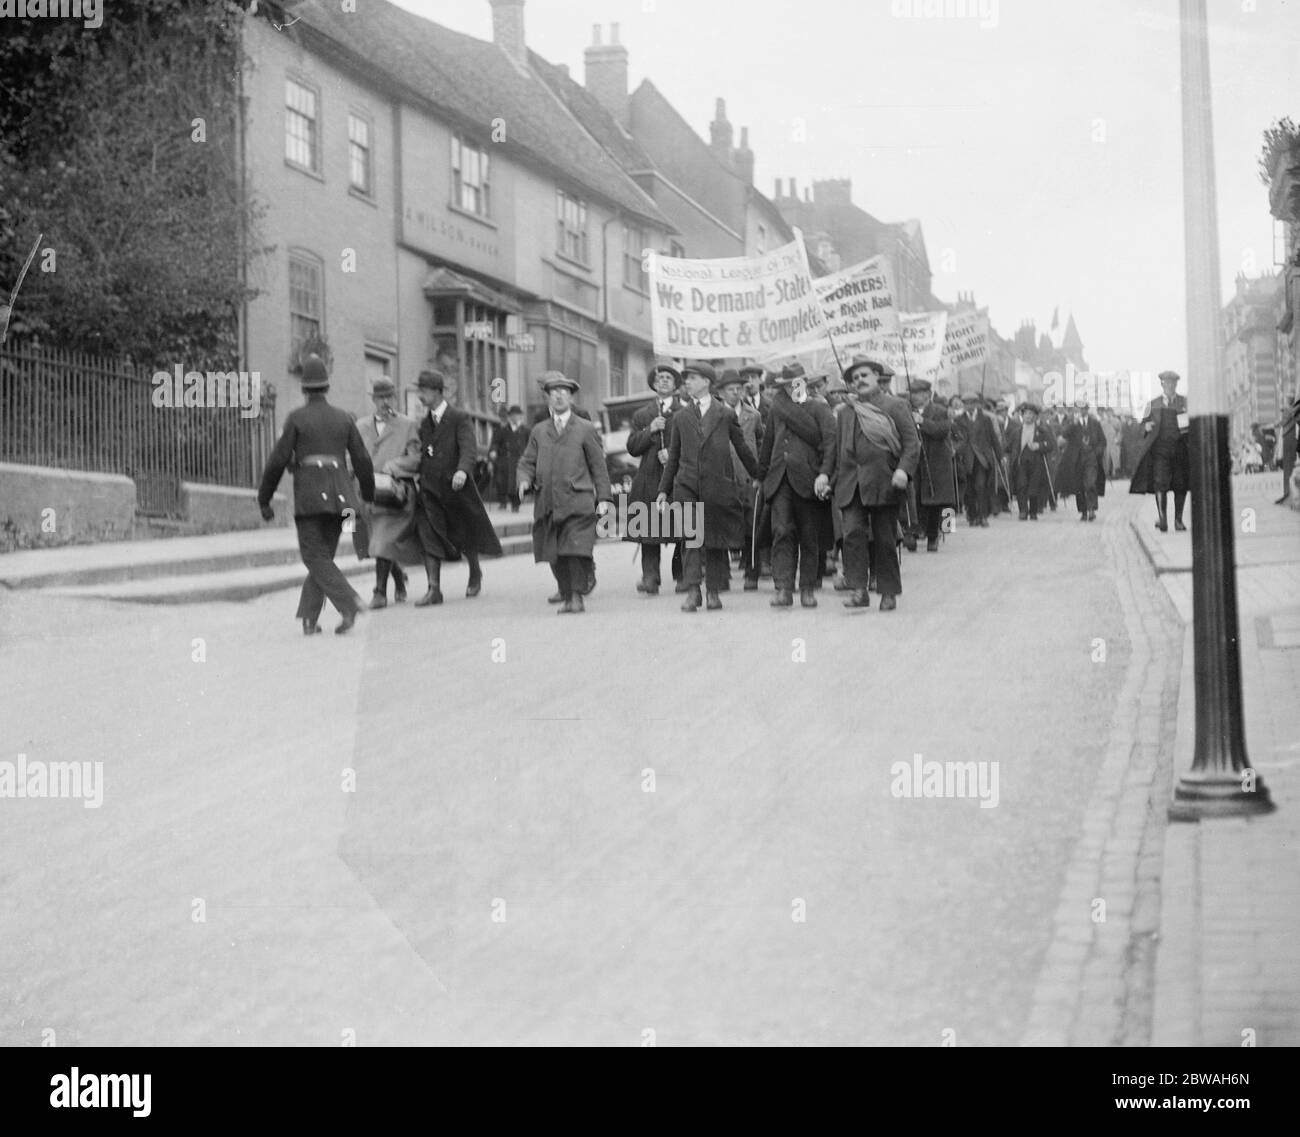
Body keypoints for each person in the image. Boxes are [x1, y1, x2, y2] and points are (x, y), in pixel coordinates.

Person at [257, 354, 374, 636]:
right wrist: (367, 496)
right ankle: (310, 619)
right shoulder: (344, 418)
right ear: (327, 386)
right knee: (322, 557)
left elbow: (276, 461)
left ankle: (349, 603)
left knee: (314, 557)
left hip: (310, 499)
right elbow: (362, 459)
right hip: (344, 502)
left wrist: (264, 499)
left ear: (303, 388)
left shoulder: (296, 418)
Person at [656, 362, 759, 612]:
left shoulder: (725, 414)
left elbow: (743, 447)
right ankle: (693, 592)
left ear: (706, 382)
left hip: (718, 487)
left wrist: (759, 474)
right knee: (691, 540)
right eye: (687, 378)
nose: (687, 382)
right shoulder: (680, 418)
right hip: (687, 486)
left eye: (692, 378)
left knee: (714, 541)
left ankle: (713, 591)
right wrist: (662, 490)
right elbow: (675, 457)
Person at [825, 356, 920, 611]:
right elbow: (837, 451)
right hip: (850, 484)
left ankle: (888, 591)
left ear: (877, 376)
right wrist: (827, 478)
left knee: (884, 539)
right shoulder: (845, 412)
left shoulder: (896, 406)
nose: (859, 381)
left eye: (864, 375)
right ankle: (858, 590)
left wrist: (902, 471)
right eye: (854, 378)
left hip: (883, 482)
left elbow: (912, 444)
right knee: (852, 536)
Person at [399, 369, 503, 605]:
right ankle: (434, 589)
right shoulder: (425, 424)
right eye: (419, 391)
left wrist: (462, 470)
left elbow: (469, 447)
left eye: (423, 391)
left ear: (436, 392)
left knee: (464, 535)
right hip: (429, 491)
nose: (420, 396)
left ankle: (474, 570)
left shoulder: (459, 418)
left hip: (455, 490)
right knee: (428, 535)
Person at [516, 372, 612, 614]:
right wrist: (524, 480)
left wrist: (604, 499)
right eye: (553, 393)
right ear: (547, 398)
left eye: (564, 392)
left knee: (575, 549)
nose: (558, 396)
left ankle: (576, 596)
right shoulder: (539, 430)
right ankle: (567, 592)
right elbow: (527, 461)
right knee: (554, 551)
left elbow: (598, 467)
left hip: (577, 499)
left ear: (571, 397)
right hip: (547, 501)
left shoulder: (585, 428)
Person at [758, 362, 837, 608]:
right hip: (780, 479)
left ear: (805, 383)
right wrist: (761, 477)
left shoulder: (819, 409)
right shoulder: (777, 410)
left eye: (797, 383)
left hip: (810, 480)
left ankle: (807, 588)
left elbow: (830, 445)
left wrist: (824, 474)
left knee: (809, 536)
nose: (792, 388)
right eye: (787, 385)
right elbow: (768, 444)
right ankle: (783, 588)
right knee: (781, 532)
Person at [357, 376, 422, 609]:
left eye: (389, 396)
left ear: (394, 397)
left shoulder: (407, 425)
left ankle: (379, 593)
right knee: (376, 543)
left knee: (382, 537)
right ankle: (399, 578)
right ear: (373, 399)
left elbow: (416, 458)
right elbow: (351, 456)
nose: (385, 402)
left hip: (396, 494)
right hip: (368, 495)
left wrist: (393, 466)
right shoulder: (361, 426)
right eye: (380, 397)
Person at [625, 357, 686, 595]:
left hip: (677, 478)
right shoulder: (643, 415)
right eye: (659, 378)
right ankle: (650, 576)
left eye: (668, 378)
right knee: (649, 530)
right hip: (649, 478)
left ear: (676, 385)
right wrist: (649, 431)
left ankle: (682, 576)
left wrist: (671, 455)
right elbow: (632, 446)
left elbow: (694, 445)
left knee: (682, 529)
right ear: (653, 384)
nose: (663, 381)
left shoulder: (685, 412)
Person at [717, 367, 765, 590]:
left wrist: (760, 474)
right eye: (730, 389)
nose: (735, 392)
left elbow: (762, 444)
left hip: (748, 478)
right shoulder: (713, 415)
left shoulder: (753, 415)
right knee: (723, 525)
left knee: (750, 526)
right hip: (722, 477)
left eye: (739, 388)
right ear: (721, 392)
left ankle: (751, 572)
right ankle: (722, 574)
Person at [1130, 370, 1190, 531]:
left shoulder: (1184, 402)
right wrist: (1146, 426)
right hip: (1160, 451)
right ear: (1162, 385)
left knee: (1180, 484)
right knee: (1160, 483)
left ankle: (1178, 520)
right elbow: (1141, 425)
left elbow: (1191, 425)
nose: (1170, 386)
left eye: (1173, 383)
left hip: (1179, 450)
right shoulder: (1153, 404)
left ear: (1176, 385)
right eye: (1167, 383)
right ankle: (1162, 519)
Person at [909, 379, 960, 550]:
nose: (914, 397)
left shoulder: (940, 411)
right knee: (915, 499)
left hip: (937, 462)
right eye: (913, 393)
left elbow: (941, 431)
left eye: (918, 393)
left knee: (937, 501)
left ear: (927, 395)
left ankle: (935, 535)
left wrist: (922, 422)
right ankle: (914, 533)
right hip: (917, 462)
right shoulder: (907, 411)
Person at [1056, 398, 1107, 521]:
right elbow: (1064, 434)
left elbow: (1102, 441)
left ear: (1087, 410)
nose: (1080, 411)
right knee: (1079, 486)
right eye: (1077, 409)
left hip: (1091, 459)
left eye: (1083, 409)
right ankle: (1083, 511)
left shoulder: (1095, 423)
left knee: (1090, 483)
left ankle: (1091, 510)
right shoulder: (1073, 424)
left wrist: (1096, 453)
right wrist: (1073, 423)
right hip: (1077, 459)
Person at [1005, 402, 1056, 520]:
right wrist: (1006, 455)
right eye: (1026, 413)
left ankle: (1033, 511)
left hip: (1036, 463)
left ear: (1035, 416)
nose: (1028, 416)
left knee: (1033, 488)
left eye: (1031, 414)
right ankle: (1023, 511)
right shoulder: (1016, 431)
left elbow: (1050, 445)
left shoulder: (1041, 431)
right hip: (1020, 463)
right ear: (1022, 415)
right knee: (1021, 486)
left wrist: (1039, 445)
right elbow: (1007, 447)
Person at [956, 392, 999, 527]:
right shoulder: (958, 420)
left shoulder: (985, 419)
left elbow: (993, 439)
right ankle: (972, 515)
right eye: (966, 403)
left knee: (981, 487)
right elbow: (955, 438)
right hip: (966, 459)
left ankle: (983, 516)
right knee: (969, 490)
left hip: (982, 459)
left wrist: (1000, 456)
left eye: (971, 403)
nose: (969, 406)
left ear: (976, 404)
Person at [490, 405, 531, 512]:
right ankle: (502, 502)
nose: (515, 417)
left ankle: (515, 504)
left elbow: (530, 445)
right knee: (502, 482)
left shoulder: (525, 430)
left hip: (519, 461)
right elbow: (495, 442)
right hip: (505, 460)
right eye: (513, 415)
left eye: (517, 415)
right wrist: (493, 451)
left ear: (521, 416)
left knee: (517, 483)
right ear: (509, 416)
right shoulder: (503, 430)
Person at [1275, 392, 1299, 504]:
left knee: (1289, 465)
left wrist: (1276, 424)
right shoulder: (1292, 410)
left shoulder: (1288, 411)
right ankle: (1289, 491)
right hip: (1290, 438)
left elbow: (1284, 421)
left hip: (1289, 438)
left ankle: (1288, 491)